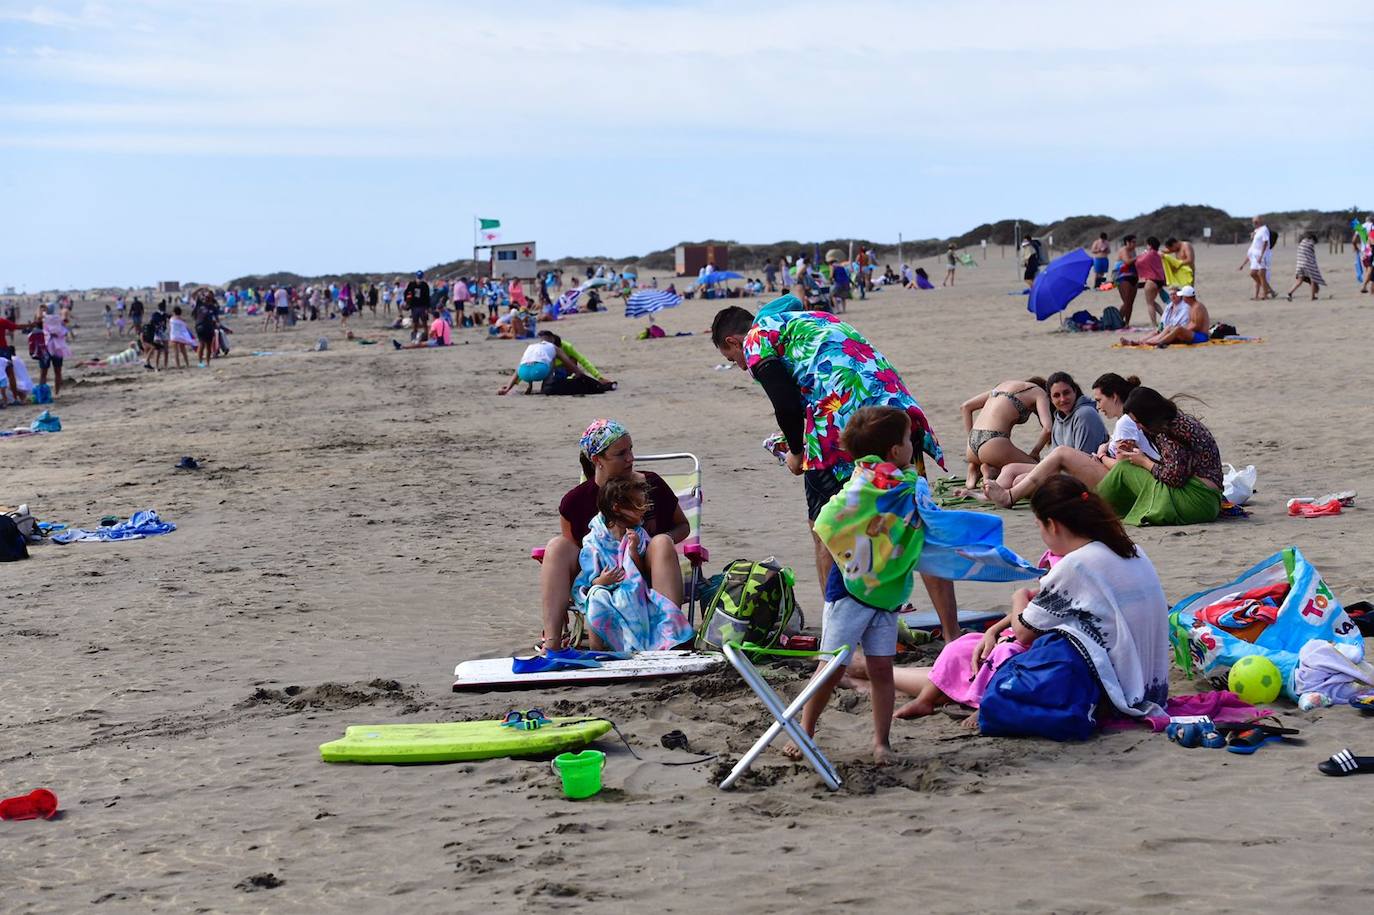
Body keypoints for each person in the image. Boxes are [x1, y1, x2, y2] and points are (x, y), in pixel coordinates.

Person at [710, 298, 961, 640]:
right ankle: (951, 634)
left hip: (843, 425)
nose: (741, 366)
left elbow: (785, 405)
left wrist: (797, 454)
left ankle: (839, 637)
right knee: (916, 520)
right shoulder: (809, 320)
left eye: (733, 359)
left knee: (824, 529)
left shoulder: (757, 338)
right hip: (898, 416)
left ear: (732, 342)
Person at [892, 476, 1169, 724]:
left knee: (979, 656)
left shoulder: (1076, 565)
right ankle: (886, 680)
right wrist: (994, 628)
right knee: (975, 647)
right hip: (1147, 683)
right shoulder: (1127, 549)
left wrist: (1018, 596)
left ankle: (879, 675)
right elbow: (1054, 605)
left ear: (1052, 524)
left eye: (1039, 526)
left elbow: (1024, 631)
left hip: (1112, 689)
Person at [791, 407, 920, 765]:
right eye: (909, 440)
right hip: (850, 591)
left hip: (887, 589)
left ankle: (881, 741)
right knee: (831, 668)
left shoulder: (904, 484)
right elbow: (829, 519)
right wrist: (856, 554)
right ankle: (805, 728)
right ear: (894, 450)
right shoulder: (864, 483)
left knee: (882, 669)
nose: (913, 446)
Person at [537, 420, 690, 651]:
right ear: (597, 460)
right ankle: (553, 643)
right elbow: (577, 550)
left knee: (662, 542)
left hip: (647, 568)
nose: (631, 458)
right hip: (600, 577)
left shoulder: (651, 484)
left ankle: (669, 637)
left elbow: (683, 527)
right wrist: (600, 578)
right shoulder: (574, 502)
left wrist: (647, 543)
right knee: (557, 546)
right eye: (621, 453)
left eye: (631, 449)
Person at [987, 386, 1222, 526]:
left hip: (1197, 500)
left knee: (1123, 469)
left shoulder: (1171, 430)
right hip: (1202, 497)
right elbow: (1175, 466)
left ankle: (1086, 506)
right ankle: (1027, 494)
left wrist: (1141, 460)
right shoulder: (1172, 423)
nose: (1138, 428)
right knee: (1122, 469)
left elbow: (1174, 476)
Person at [571, 477, 694, 652]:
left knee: (628, 598)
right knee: (596, 596)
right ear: (617, 508)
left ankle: (652, 640)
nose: (644, 510)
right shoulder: (594, 539)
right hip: (604, 587)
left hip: (634, 588)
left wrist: (634, 551)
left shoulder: (639, 534)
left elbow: (642, 572)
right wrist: (601, 581)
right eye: (638, 504)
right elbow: (588, 579)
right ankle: (596, 649)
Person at [960, 378, 1053, 491]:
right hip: (993, 443)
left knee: (1008, 464)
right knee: (1042, 469)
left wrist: (970, 438)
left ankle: (977, 466)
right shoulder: (1040, 393)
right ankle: (991, 470)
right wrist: (1035, 452)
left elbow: (965, 407)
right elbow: (1048, 428)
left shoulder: (1002, 386)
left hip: (971, 446)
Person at [1089, 373, 1160, 463]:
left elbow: (1122, 467)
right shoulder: (1130, 418)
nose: (1098, 407)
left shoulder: (1124, 422)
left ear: (1114, 397)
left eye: (1099, 400)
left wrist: (1101, 455)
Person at [1122, 285, 1210, 346]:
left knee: (1177, 329)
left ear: (1187, 297)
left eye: (1182, 296)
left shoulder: (1197, 307)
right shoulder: (1192, 306)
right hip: (1194, 333)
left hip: (1201, 336)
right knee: (1168, 328)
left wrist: (1181, 330)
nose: (1182, 298)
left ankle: (1159, 342)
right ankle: (1143, 342)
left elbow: (1196, 325)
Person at [0, 310, 38, 404]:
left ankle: (5, 398)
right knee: (10, 374)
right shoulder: (1, 321)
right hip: (3, 350)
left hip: (3, 349)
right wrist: (29, 325)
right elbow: (16, 327)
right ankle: (14, 397)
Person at [1239, 216, 1275, 300]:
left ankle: (1265, 294)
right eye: (1253, 222)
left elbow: (1265, 242)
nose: (1254, 223)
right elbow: (1255, 241)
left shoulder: (1264, 229)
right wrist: (1252, 236)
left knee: (1261, 275)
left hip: (1263, 255)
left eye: (1256, 222)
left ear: (1260, 221)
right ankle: (1269, 290)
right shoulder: (1257, 230)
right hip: (1255, 256)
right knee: (1253, 273)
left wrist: (1261, 256)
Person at [1135, 236, 1167, 326]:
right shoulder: (1157, 254)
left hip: (1151, 281)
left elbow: (1138, 262)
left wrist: (1142, 254)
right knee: (1152, 302)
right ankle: (1165, 317)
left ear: (1150, 245)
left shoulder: (1149, 254)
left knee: (1149, 304)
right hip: (1159, 281)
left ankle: (1154, 324)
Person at [1287, 232, 1326, 301]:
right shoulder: (1310, 244)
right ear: (1312, 239)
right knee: (1313, 279)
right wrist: (1314, 268)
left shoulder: (1301, 244)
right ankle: (1312, 297)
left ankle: (1290, 292)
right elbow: (1311, 257)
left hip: (1299, 264)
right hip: (1308, 264)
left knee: (1299, 280)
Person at [1115, 235, 1140, 325]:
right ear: (1127, 242)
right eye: (1133, 242)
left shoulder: (1133, 251)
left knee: (1130, 302)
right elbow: (1127, 261)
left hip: (1133, 276)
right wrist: (1139, 257)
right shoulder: (1123, 250)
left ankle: (1126, 322)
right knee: (1127, 301)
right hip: (1122, 277)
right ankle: (1119, 321)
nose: (1135, 244)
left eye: (1135, 242)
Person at [404, 271, 431, 340]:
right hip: (418, 306)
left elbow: (406, 293)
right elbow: (428, 297)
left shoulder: (420, 284)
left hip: (418, 306)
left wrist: (406, 302)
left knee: (419, 322)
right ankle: (421, 336)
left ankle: (419, 336)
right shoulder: (418, 284)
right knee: (419, 322)